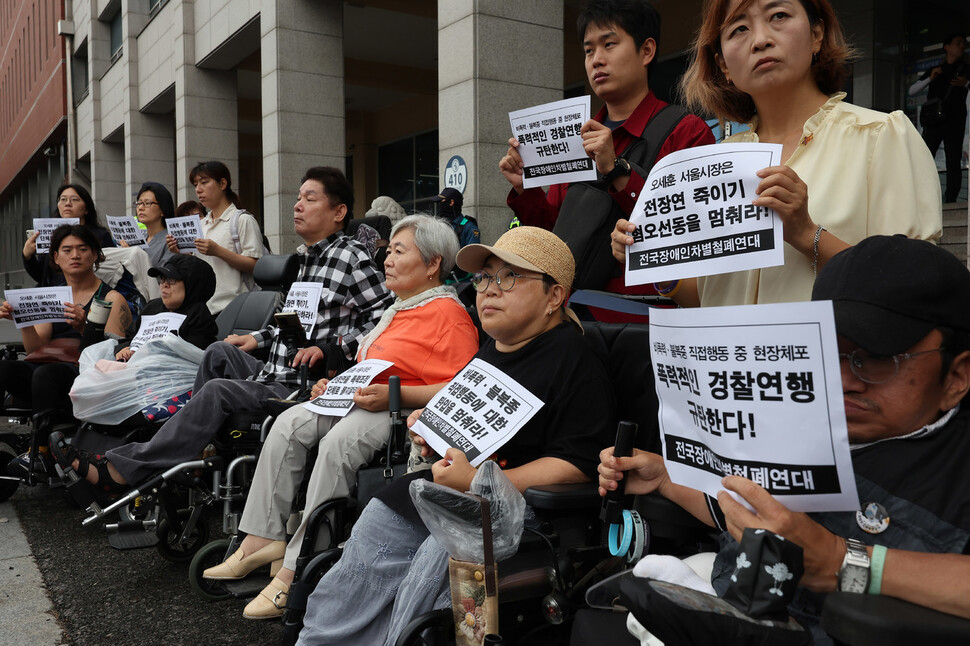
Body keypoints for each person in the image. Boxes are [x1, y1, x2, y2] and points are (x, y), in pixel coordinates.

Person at [598, 235, 970, 643]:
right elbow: (750, 518)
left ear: (956, 377)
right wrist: (666, 478)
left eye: (876, 359)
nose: (844, 380)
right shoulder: (788, 417)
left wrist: (841, 562)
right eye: (825, 351)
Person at [295, 226, 617, 645]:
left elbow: (576, 465)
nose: (489, 290)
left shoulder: (576, 359)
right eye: (484, 278)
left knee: (434, 565)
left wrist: (481, 480)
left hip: (518, 512)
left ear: (554, 297)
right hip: (451, 492)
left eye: (510, 278)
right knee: (371, 534)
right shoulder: (491, 350)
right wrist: (431, 429)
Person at [51, 166, 392, 496]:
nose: (298, 205)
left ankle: (124, 469)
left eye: (310, 199)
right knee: (218, 352)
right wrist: (255, 338)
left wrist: (335, 348)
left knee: (217, 390)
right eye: (298, 197)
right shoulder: (303, 259)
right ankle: (195, 452)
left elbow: (384, 319)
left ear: (339, 211)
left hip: (302, 384)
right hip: (272, 368)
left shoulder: (352, 257)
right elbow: (291, 324)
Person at [203, 214, 480, 620]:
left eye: (398, 252)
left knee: (338, 443)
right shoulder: (401, 308)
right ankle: (259, 539)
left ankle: (296, 567)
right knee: (289, 423)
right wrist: (334, 386)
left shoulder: (449, 314)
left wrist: (392, 395)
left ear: (433, 263)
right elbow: (373, 364)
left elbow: (459, 387)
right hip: (367, 397)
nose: (386, 258)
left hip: (401, 409)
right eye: (388, 251)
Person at [611, 0, 943, 308]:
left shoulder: (881, 136)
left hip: (839, 369)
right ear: (723, 64)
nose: (760, 40)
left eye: (778, 16)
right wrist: (655, 264)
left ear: (816, 34)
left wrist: (806, 234)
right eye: (739, 28)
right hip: (733, 369)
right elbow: (712, 296)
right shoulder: (716, 163)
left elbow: (915, 290)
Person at [499, 0, 714, 311]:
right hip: (575, 317)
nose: (596, 60)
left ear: (646, 51)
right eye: (588, 50)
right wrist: (525, 188)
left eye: (609, 44)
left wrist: (617, 170)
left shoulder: (686, 131)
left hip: (649, 317)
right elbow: (556, 239)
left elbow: (692, 229)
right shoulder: (573, 141)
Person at [2, 225, 130, 475]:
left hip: (85, 370)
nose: (75, 255)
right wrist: (24, 322)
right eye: (67, 250)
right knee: (5, 368)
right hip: (48, 365)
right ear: (56, 258)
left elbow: (112, 353)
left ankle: (40, 452)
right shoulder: (50, 294)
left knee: (45, 375)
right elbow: (35, 349)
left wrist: (85, 326)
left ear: (95, 255)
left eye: (83, 249)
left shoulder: (112, 298)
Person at [168, 161, 265, 314]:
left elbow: (256, 265)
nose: (198, 190)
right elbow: (200, 266)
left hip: (234, 307)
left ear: (223, 183)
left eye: (204, 182)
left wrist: (217, 250)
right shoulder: (202, 224)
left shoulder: (242, 220)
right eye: (195, 184)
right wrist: (179, 252)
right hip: (204, 308)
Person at [113, 254, 218, 360]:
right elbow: (129, 337)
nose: (164, 284)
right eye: (162, 278)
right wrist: (123, 349)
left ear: (191, 284)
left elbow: (192, 356)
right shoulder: (151, 307)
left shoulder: (199, 316)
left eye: (172, 280)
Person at [909, 32, 969, 204]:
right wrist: (930, 77)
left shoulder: (965, 69)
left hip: (955, 121)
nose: (961, 46)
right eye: (958, 43)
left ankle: (950, 198)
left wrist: (965, 83)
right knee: (925, 158)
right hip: (934, 121)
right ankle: (922, 198)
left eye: (963, 44)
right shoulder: (937, 69)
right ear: (947, 47)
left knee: (953, 159)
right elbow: (913, 90)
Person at [22, 184, 115, 288]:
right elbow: (42, 276)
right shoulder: (50, 234)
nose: (68, 204)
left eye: (74, 199)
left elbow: (110, 272)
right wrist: (28, 256)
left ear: (86, 209)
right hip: (54, 298)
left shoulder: (100, 235)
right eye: (63, 199)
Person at [120, 182, 176, 267]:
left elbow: (161, 276)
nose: (141, 208)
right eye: (139, 203)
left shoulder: (170, 240)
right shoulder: (138, 237)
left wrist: (132, 257)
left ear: (163, 209)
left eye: (147, 203)